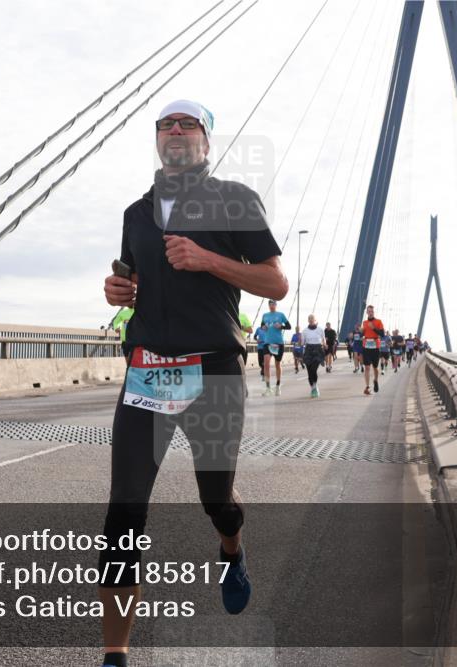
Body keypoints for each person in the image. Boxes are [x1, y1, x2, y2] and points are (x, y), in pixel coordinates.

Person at [101, 98, 287, 667]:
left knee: (216, 499)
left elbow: (275, 283)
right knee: (123, 514)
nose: (176, 132)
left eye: (189, 125)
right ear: (157, 139)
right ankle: (115, 657)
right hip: (148, 372)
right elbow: (129, 275)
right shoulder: (136, 213)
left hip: (212, 373)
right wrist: (116, 290)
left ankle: (231, 547)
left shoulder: (234, 199)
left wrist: (209, 260)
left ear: (206, 141)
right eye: (166, 125)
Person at [260, 299, 291, 396]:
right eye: (270, 304)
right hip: (267, 343)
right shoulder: (265, 315)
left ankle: (277, 386)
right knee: (266, 364)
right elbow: (262, 326)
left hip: (278, 343)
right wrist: (263, 328)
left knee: (277, 364)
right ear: (268, 305)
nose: (272, 306)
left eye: (273, 304)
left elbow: (289, 326)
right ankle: (268, 388)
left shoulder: (281, 315)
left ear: (276, 305)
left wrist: (281, 326)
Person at [359, 305, 385, 395]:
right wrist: (361, 332)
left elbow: (382, 334)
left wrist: (374, 328)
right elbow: (361, 335)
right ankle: (367, 387)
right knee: (367, 367)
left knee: (375, 368)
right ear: (367, 312)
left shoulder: (378, 322)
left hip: (375, 347)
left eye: (372, 311)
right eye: (369, 311)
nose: (370, 313)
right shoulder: (364, 322)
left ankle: (376, 380)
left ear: (373, 312)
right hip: (366, 347)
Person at [302, 314, 325, 398]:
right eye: (310, 318)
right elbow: (302, 343)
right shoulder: (304, 331)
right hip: (308, 350)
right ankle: (312, 388)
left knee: (313, 369)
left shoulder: (320, 330)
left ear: (315, 320)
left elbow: (323, 339)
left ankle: (315, 387)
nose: (311, 320)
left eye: (313, 318)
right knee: (309, 372)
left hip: (317, 349)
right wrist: (299, 342)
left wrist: (325, 345)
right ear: (308, 320)